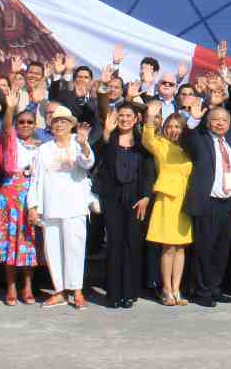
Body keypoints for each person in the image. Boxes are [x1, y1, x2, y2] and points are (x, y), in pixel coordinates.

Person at [27, 105, 94, 308]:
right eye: (55, 121)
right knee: (53, 250)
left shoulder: (79, 143)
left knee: (75, 248)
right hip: (51, 206)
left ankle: (77, 291)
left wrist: (83, 145)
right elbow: (36, 179)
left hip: (75, 206)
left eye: (63, 121)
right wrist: (32, 206)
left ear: (71, 125)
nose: (59, 125)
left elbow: (88, 163)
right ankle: (59, 291)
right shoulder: (44, 149)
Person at [94, 102, 154, 309]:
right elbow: (94, 157)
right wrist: (106, 132)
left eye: (129, 115)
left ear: (136, 119)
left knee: (132, 244)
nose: (125, 119)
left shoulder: (142, 143)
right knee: (115, 244)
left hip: (136, 199)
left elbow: (149, 171)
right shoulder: (109, 140)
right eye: (121, 115)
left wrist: (147, 196)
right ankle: (113, 294)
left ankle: (129, 292)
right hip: (112, 198)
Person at [180, 105, 231, 307]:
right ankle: (201, 290)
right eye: (215, 119)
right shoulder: (201, 141)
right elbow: (186, 139)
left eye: (224, 120)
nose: (220, 123)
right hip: (207, 202)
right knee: (204, 249)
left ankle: (214, 287)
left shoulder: (229, 142)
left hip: (226, 202)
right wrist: (192, 121)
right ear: (208, 122)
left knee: (221, 250)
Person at [0, 94, 42, 306]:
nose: (25, 125)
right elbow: (6, 128)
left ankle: (27, 286)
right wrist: (9, 108)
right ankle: (11, 287)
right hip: (9, 197)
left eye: (29, 122)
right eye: (22, 122)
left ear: (35, 125)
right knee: (10, 243)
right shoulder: (11, 142)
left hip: (32, 197)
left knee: (29, 243)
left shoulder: (40, 146)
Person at [142, 100, 193, 306]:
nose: (174, 130)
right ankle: (166, 289)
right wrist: (151, 117)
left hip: (185, 200)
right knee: (168, 247)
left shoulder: (189, 149)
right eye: (170, 126)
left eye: (178, 126)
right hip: (167, 199)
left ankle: (177, 289)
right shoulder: (160, 145)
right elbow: (147, 138)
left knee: (180, 247)